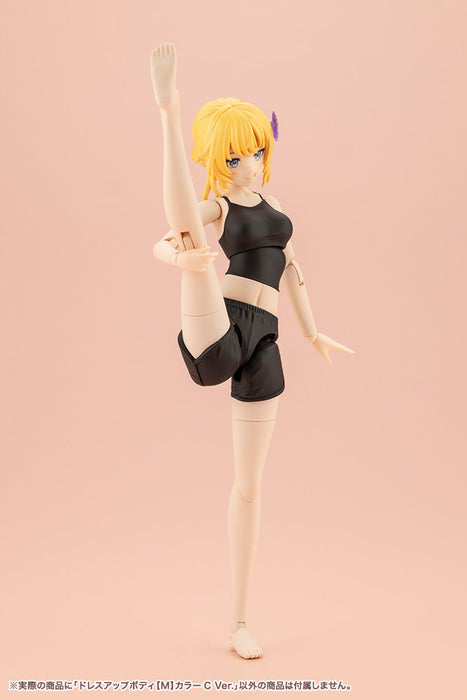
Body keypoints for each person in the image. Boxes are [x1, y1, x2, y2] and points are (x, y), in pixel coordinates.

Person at [150, 42, 354, 659]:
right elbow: (167, 235)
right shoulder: (215, 205)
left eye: (257, 152)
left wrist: (313, 332)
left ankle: (238, 622)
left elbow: (290, 269)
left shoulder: (276, 206)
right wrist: (180, 260)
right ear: (217, 162)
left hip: (263, 339)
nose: (249, 166)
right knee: (195, 248)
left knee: (249, 487)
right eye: (235, 157)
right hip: (217, 328)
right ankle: (166, 111)